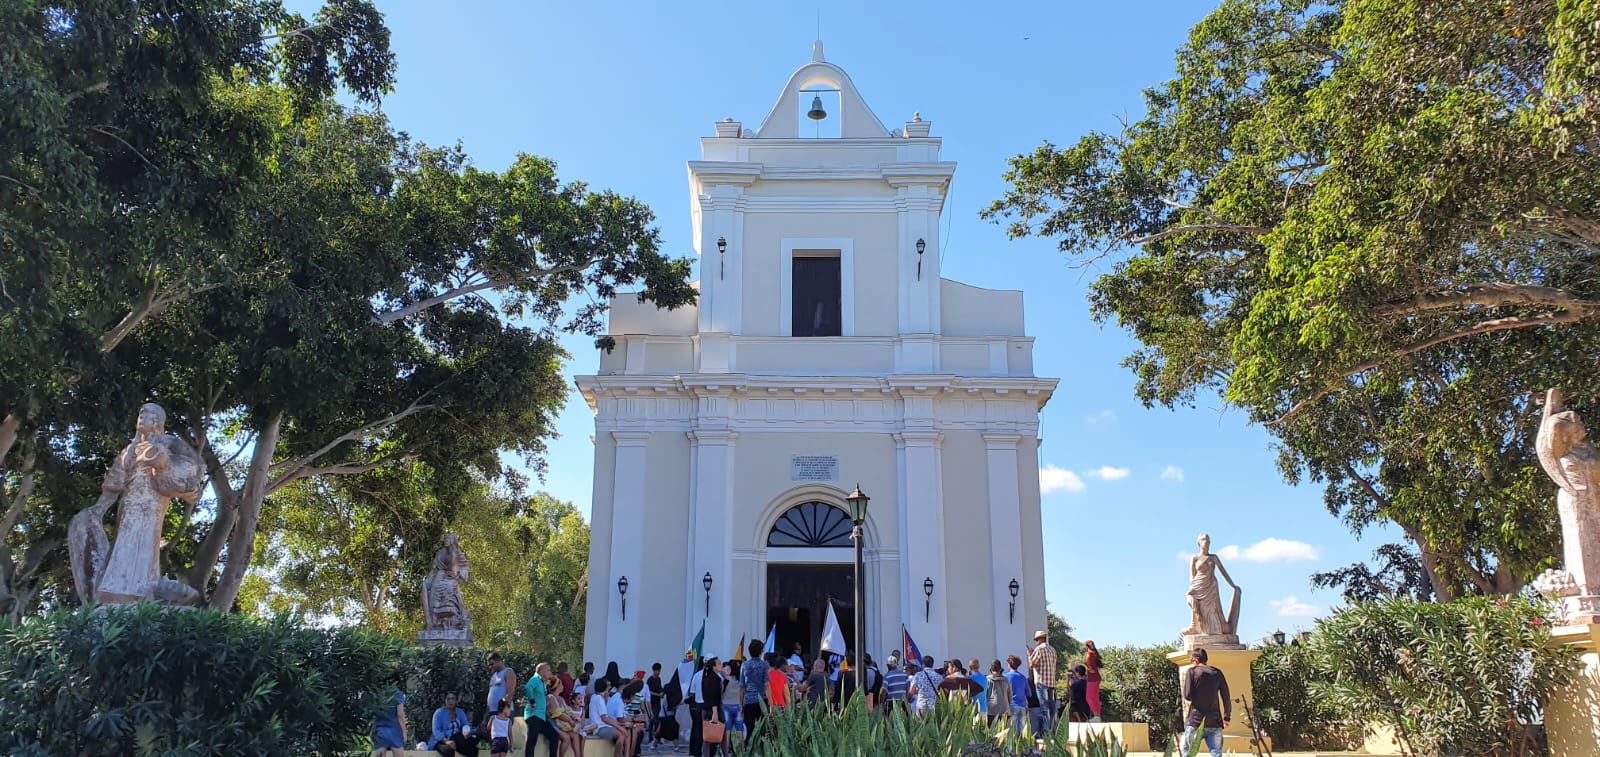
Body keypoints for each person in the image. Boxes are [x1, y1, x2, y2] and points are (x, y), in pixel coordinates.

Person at [1181, 648, 1231, 757]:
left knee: (1188, 752)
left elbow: (1187, 695)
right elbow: (1226, 696)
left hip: (1195, 720)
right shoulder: (1217, 673)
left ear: (1196, 660)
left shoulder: (1192, 672)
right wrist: (1227, 717)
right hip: (1215, 721)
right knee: (1216, 753)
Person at [584, 678, 631, 755]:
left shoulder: (596, 697)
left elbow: (606, 717)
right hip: (600, 728)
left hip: (603, 726)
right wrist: (619, 726)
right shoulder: (599, 699)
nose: (609, 688)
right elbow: (604, 718)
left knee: (624, 732)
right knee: (621, 734)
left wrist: (620, 724)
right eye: (608, 686)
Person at [525, 662, 561, 757]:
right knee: (532, 741)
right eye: (548, 670)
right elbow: (528, 688)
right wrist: (532, 702)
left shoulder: (542, 682)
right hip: (534, 715)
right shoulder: (535, 679)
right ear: (541, 671)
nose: (550, 672)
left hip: (541, 716)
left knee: (554, 736)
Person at [1028, 630, 1059, 732]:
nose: (1036, 641)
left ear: (1040, 639)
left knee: (1044, 708)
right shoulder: (1053, 650)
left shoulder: (1039, 649)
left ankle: (1046, 732)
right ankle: (1053, 730)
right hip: (1052, 682)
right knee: (1052, 708)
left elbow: (1032, 664)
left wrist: (1030, 655)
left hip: (1042, 682)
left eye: (1036, 639)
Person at [739, 640, 770, 740]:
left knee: (749, 729)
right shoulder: (765, 665)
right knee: (763, 730)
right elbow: (766, 685)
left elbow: (742, 687)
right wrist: (770, 702)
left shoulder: (745, 665)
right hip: (762, 701)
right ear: (761, 652)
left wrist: (741, 705)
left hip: (748, 700)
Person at [430, 691, 477, 756]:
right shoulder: (439, 713)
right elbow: (436, 731)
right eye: (448, 699)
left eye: (453, 699)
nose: (450, 701)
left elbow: (466, 725)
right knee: (448, 751)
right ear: (445, 700)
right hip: (441, 740)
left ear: (456, 701)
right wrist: (446, 741)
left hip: (456, 739)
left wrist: (468, 732)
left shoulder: (460, 712)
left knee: (472, 750)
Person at [549, 677, 584, 757]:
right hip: (554, 724)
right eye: (561, 684)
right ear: (557, 686)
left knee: (575, 735)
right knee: (566, 737)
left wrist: (573, 717)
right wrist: (570, 721)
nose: (562, 685)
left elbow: (568, 710)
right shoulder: (550, 697)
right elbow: (556, 714)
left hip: (564, 724)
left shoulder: (561, 698)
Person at [700, 658, 728, 757]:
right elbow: (714, 697)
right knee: (722, 735)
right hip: (714, 710)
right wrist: (715, 713)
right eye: (719, 664)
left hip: (706, 709)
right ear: (714, 667)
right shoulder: (715, 678)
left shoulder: (707, 678)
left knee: (707, 737)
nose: (721, 665)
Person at [372, 679, 407, 757]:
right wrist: (404, 733)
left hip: (380, 730)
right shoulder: (397, 693)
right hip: (395, 731)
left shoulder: (377, 693)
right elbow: (400, 715)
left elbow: (373, 714)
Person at [620, 679, 650, 756]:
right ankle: (634, 752)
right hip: (635, 718)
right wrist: (646, 718)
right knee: (635, 737)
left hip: (626, 717)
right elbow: (643, 709)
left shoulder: (626, 693)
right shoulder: (639, 696)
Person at [1003, 656, 1030, 728]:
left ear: (1009, 664)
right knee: (1021, 732)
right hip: (1022, 706)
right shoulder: (1023, 677)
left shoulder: (1005, 677)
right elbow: (1029, 693)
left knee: (1010, 731)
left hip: (1011, 705)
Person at [721, 659, 744, 743]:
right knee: (740, 730)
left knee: (727, 731)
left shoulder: (724, 680)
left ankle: (726, 752)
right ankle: (742, 752)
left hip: (726, 706)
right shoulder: (740, 680)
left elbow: (721, 692)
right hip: (738, 706)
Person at [1084, 640, 1104, 722]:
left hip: (1092, 679)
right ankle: (1098, 716)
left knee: (1089, 697)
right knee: (1095, 697)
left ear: (1086, 646)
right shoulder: (1095, 654)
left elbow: (1090, 668)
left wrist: (1089, 669)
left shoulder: (1089, 655)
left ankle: (1096, 716)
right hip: (1097, 678)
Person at [647, 663, 666, 749]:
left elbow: (660, 688)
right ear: (654, 670)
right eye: (657, 671)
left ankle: (657, 738)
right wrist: (657, 694)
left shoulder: (659, 679)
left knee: (657, 721)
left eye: (659, 670)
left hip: (658, 703)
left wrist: (662, 692)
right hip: (652, 702)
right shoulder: (650, 680)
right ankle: (650, 738)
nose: (658, 672)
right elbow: (649, 692)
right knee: (652, 720)